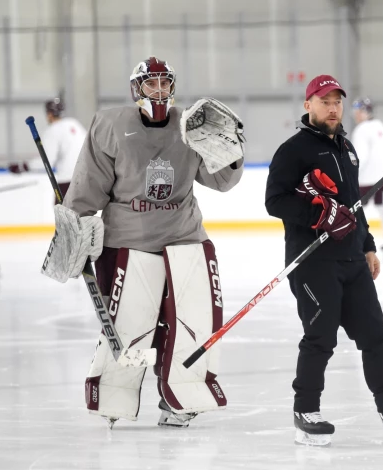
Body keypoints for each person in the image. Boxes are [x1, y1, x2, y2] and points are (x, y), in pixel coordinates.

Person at [39, 57, 244, 428]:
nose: (160, 91)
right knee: (128, 327)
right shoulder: (111, 125)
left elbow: (222, 182)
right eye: (152, 84)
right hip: (128, 242)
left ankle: (180, 398)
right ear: (137, 89)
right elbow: (89, 185)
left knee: (191, 325)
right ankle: (115, 396)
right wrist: (75, 229)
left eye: (165, 83)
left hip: (186, 239)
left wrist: (230, 153)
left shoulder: (190, 125)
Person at [265, 75, 383, 446]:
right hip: (313, 262)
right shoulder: (293, 150)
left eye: (337, 101)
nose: (332, 108)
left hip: (351, 260)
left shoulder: (347, 149)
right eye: (324, 101)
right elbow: (275, 201)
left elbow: (354, 205)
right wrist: (317, 214)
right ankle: (306, 411)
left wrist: (367, 245)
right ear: (308, 105)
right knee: (320, 338)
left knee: (375, 336)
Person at [9, 97, 87, 201]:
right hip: (86, 180)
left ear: (49, 114)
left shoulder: (52, 130)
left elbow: (46, 162)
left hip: (67, 182)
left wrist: (23, 167)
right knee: (83, 215)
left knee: (63, 215)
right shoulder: (75, 124)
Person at [351, 97, 383, 253]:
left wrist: (351, 174)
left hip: (366, 179)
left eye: (357, 112)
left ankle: (356, 241)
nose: (356, 115)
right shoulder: (379, 126)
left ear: (365, 112)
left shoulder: (361, 130)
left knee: (357, 210)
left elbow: (360, 156)